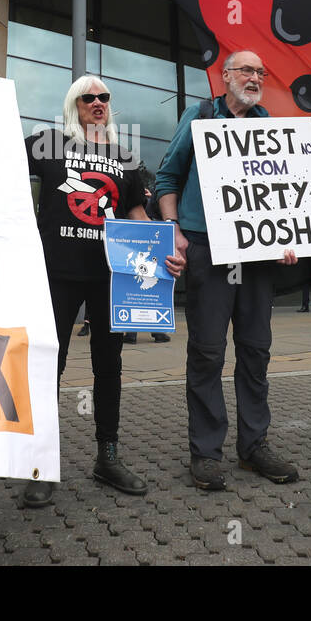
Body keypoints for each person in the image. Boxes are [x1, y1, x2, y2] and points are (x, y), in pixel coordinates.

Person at [16, 74, 185, 507]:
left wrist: (164, 250)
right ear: (74, 104)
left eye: (104, 97)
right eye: (88, 97)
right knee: (47, 367)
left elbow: (134, 213)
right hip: (56, 272)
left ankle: (107, 457)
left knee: (109, 367)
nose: (97, 103)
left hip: (113, 276)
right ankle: (41, 465)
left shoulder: (124, 157)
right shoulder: (47, 143)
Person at [155, 50, 299, 490]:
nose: (255, 77)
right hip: (206, 251)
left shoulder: (269, 127)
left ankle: (254, 446)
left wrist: (287, 235)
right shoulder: (199, 117)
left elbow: (283, 194)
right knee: (207, 352)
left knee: (256, 351)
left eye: (261, 72)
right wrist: (173, 229)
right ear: (226, 76)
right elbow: (167, 178)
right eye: (247, 70)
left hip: (255, 261)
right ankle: (206, 453)